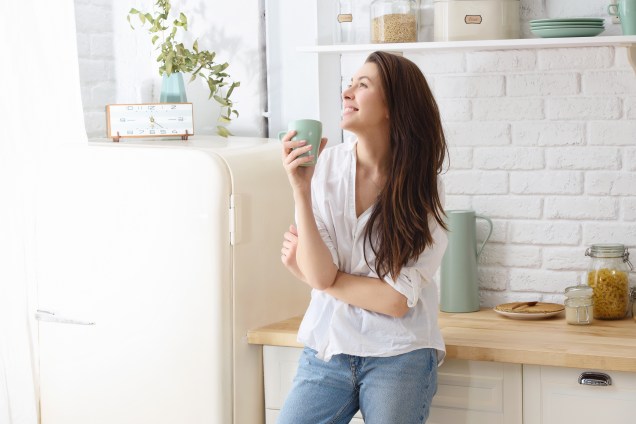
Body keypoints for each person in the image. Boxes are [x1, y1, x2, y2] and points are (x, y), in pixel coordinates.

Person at [278, 51, 448, 424]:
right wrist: (300, 190)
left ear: (392, 107)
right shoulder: (324, 170)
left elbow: (395, 302)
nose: (347, 92)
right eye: (348, 83)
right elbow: (324, 277)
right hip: (328, 348)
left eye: (363, 85)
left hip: (399, 353)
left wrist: (314, 276)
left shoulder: (423, 190)